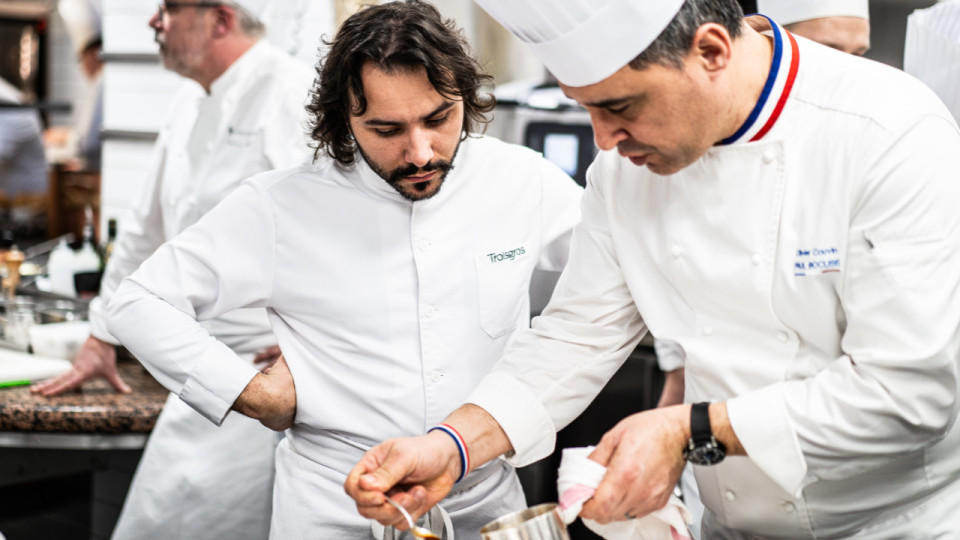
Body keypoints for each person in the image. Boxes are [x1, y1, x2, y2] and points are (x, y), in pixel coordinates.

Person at [344, 0, 960, 537]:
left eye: (620, 105)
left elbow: (909, 391)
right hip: (729, 522)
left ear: (711, 51)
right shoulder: (623, 172)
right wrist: (451, 445)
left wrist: (688, 429)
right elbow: (575, 336)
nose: (604, 139)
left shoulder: (888, 131)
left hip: (893, 524)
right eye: (585, 109)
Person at [104, 1, 583, 538]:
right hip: (336, 504)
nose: (421, 151)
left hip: (482, 497)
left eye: (438, 119)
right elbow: (138, 300)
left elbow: (614, 272)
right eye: (387, 129)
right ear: (345, 120)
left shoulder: (521, 180)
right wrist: (251, 392)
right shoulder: (281, 206)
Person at [31, 1, 314, 538]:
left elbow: (340, 232)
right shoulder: (188, 100)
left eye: (169, 8)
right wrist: (100, 335)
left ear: (221, 20)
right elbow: (145, 231)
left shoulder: (292, 95)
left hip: (267, 380)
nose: (153, 21)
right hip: (198, 369)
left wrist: (317, 335)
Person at [44, 0, 104, 171]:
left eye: (81, 60)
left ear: (94, 54)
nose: (82, 68)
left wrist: (63, 138)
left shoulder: (101, 80)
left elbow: (87, 144)